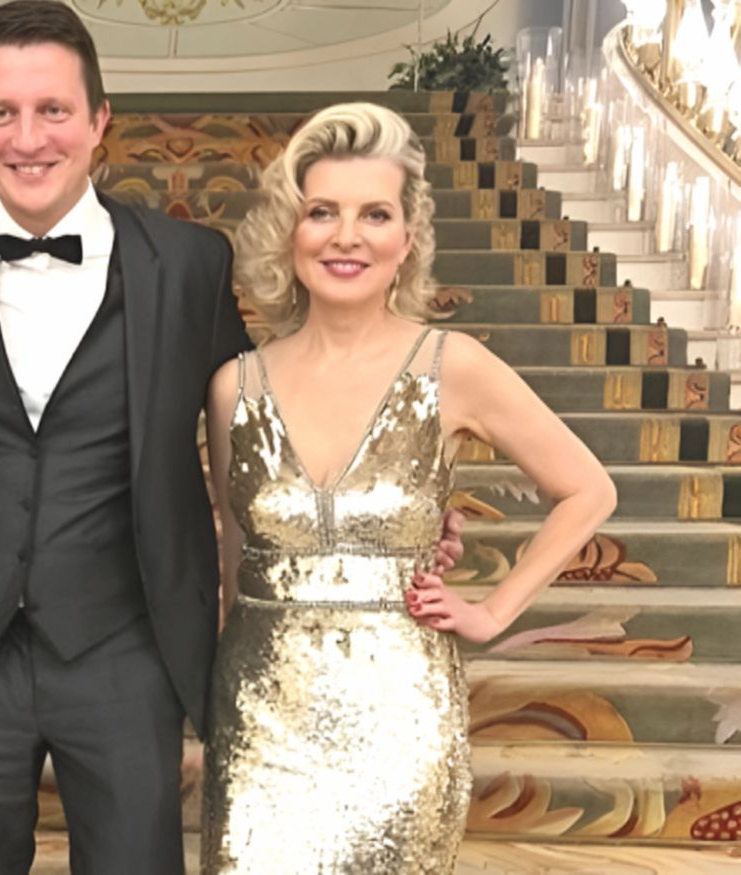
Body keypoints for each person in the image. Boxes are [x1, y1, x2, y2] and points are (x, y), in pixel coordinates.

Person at [201, 102, 618, 872]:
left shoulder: (451, 366)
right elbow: (235, 555)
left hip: (399, 723)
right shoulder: (235, 385)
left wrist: (493, 610)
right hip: (259, 725)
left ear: (407, 238)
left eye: (375, 214)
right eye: (321, 211)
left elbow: (588, 490)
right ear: (290, 230)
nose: (346, 235)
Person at [0, 1, 249, 871]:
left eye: (52, 109)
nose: (28, 138)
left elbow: (265, 422)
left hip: (126, 646)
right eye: (2, 112)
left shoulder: (190, 264)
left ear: (98, 120)